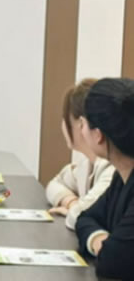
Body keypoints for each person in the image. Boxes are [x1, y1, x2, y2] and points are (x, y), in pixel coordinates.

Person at [75, 78, 134, 281]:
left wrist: (106, 247)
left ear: (98, 135)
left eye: (83, 124)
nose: (81, 129)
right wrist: (101, 240)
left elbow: (113, 261)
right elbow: (85, 218)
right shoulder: (121, 176)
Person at [46, 79, 113, 229]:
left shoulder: (112, 168)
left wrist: (75, 209)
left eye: (64, 118)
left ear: (81, 124)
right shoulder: (87, 163)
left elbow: (82, 214)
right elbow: (55, 184)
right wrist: (71, 202)